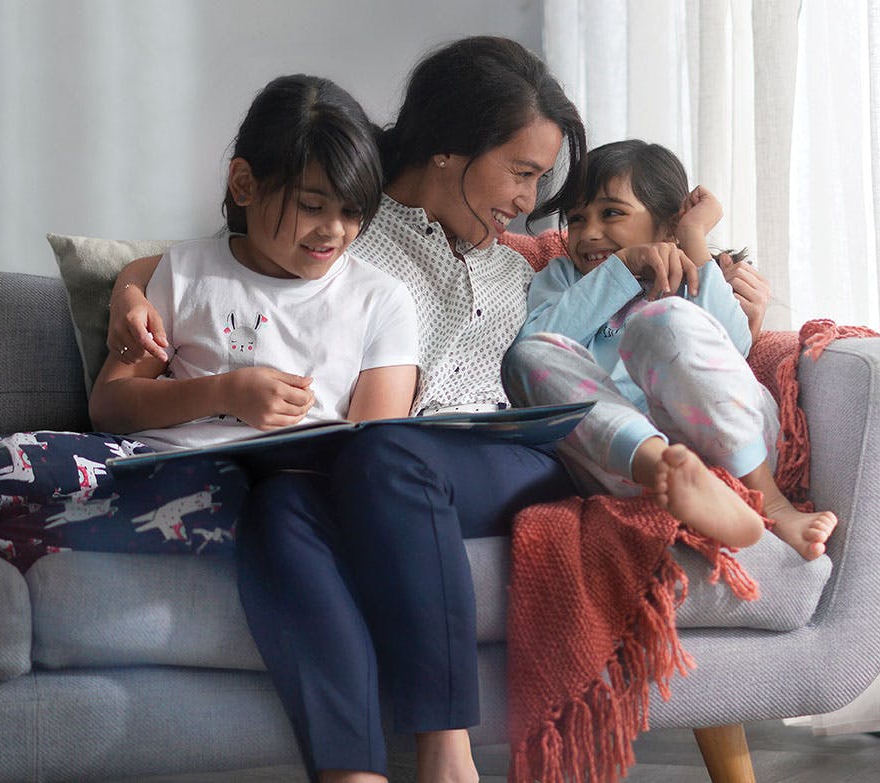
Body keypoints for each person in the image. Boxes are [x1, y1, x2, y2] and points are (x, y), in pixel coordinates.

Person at [106, 35, 586, 783]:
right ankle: (350, 772)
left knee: (381, 451)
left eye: (537, 181)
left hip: (483, 457)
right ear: (450, 152)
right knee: (282, 511)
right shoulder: (358, 237)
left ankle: (447, 754)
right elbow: (212, 267)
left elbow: (599, 279)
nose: (528, 201)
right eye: (522, 173)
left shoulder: (502, 258)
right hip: (380, 471)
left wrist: (684, 258)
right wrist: (132, 291)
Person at [0, 75, 417, 575]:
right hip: (147, 459)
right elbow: (109, 407)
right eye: (312, 206)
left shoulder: (381, 300)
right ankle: (44, 539)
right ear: (245, 184)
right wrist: (224, 393)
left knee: (237, 503)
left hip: (272, 491)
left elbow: (374, 453)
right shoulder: (187, 272)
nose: (334, 231)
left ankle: (42, 540)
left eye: (352, 211)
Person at [502, 139, 837, 559]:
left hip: (730, 444)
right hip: (626, 461)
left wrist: (692, 237)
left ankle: (771, 503)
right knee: (528, 355)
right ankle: (674, 479)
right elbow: (543, 344)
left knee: (660, 320)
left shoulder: (692, 270)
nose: (588, 232)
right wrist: (620, 270)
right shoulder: (564, 279)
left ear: (665, 224)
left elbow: (732, 349)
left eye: (611, 213)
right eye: (576, 218)